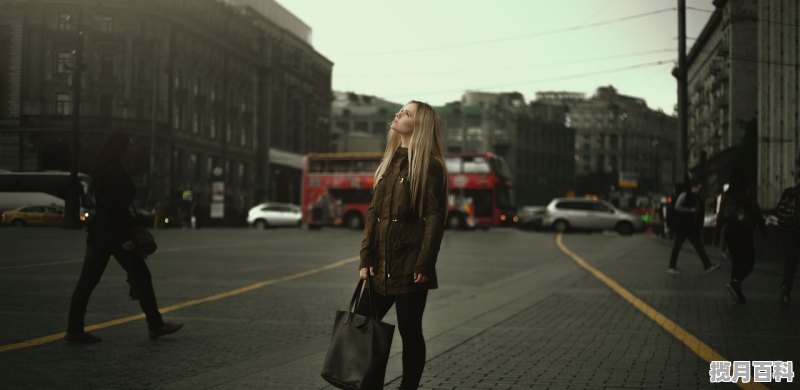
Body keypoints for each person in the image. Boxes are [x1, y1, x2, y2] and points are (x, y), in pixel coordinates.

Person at [357, 100, 448, 390]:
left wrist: (424, 263)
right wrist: (365, 257)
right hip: (379, 264)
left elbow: (435, 219)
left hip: (410, 267)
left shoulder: (430, 167)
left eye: (406, 113)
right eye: (400, 110)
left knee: (410, 332)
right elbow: (374, 213)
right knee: (362, 323)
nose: (398, 115)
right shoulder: (389, 160)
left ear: (419, 125)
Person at [65, 132, 182, 343]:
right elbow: (115, 209)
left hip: (100, 232)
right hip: (115, 233)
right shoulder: (114, 173)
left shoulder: (105, 170)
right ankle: (155, 325)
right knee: (141, 276)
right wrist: (126, 239)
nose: (133, 149)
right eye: (131, 145)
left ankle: (74, 329)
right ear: (121, 148)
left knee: (88, 281)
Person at [713, 172, 764, 304]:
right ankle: (736, 282)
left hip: (730, 231)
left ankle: (737, 294)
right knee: (749, 261)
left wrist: (717, 235)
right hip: (744, 231)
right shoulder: (747, 192)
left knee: (736, 262)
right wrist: (763, 227)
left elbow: (720, 216)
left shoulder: (727, 195)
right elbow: (756, 211)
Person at [668, 179, 721, 275]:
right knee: (678, 246)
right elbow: (677, 207)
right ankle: (671, 266)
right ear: (694, 187)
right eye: (699, 187)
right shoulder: (685, 195)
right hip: (683, 226)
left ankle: (707, 265)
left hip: (690, 226)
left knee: (698, 246)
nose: (700, 189)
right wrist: (690, 210)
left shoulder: (696, 196)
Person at [776, 163, 800, 309]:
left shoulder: (789, 192)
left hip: (790, 231)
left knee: (790, 263)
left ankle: (785, 290)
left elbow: (779, 210)